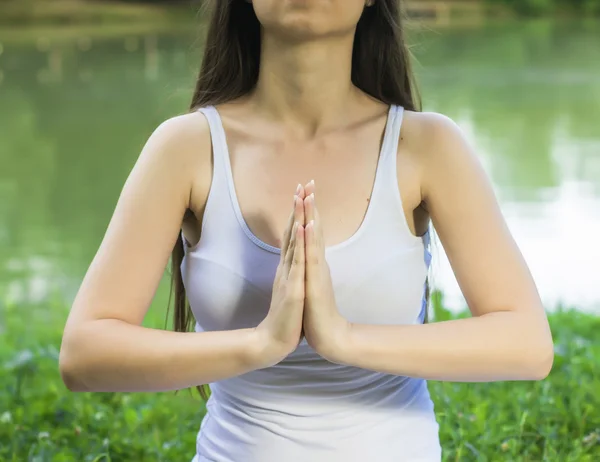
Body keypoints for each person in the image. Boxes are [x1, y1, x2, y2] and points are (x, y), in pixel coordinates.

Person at [59, 1, 555, 461]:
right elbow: (85, 353)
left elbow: (527, 343)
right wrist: (259, 344)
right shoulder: (186, 147)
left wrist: (343, 338)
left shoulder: (425, 145)